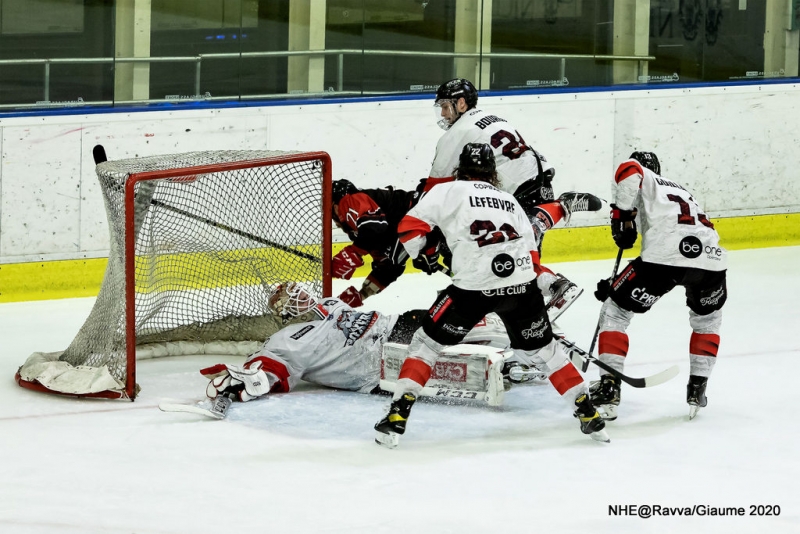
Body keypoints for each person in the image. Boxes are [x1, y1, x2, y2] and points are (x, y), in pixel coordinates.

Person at [373, 143, 609, 448]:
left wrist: (425, 253)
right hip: (522, 287)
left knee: (426, 344)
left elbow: (410, 231)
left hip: (473, 289)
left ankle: (397, 415)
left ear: (459, 169)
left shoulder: (447, 191)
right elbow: (532, 258)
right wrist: (544, 282)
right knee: (547, 352)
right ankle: (588, 413)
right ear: (493, 173)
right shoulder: (509, 200)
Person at [421, 78, 602, 321]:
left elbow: (433, 189)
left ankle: (541, 285)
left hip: (516, 191)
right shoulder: (492, 118)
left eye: (445, 106)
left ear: (461, 103)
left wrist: (425, 236)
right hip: (538, 180)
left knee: (509, 256)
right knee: (517, 256)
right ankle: (555, 222)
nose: (442, 113)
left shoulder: (457, 132)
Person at [199, 281, 529, 402]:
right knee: (446, 360)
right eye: (288, 295)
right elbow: (269, 370)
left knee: (451, 314)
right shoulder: (284, 340)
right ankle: (508, 367)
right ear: (285, 313)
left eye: (294, 287)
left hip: (396, 324)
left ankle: (528, 332)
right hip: (379, 365)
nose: (297, 292)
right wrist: (250, 380)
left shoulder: (328, 303)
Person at [591, 151, 727, 420]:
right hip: (711, 261)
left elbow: (629, 170)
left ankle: (609, 387)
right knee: (708, 321)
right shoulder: (681, 192)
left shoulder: (644, 177)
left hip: (664, 260)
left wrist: (621, 215)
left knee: (615, 311)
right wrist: (617, 284)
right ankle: (697, 389)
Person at [330, 179, 443, 308]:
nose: (333, 221)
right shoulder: (361, 230)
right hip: (433, 218)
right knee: (400, 258)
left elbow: (373, 228)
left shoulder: (349, 200)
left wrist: (353, 253)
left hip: (434, 211)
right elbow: (390, 267)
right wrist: (362, 295)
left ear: (334, 204)